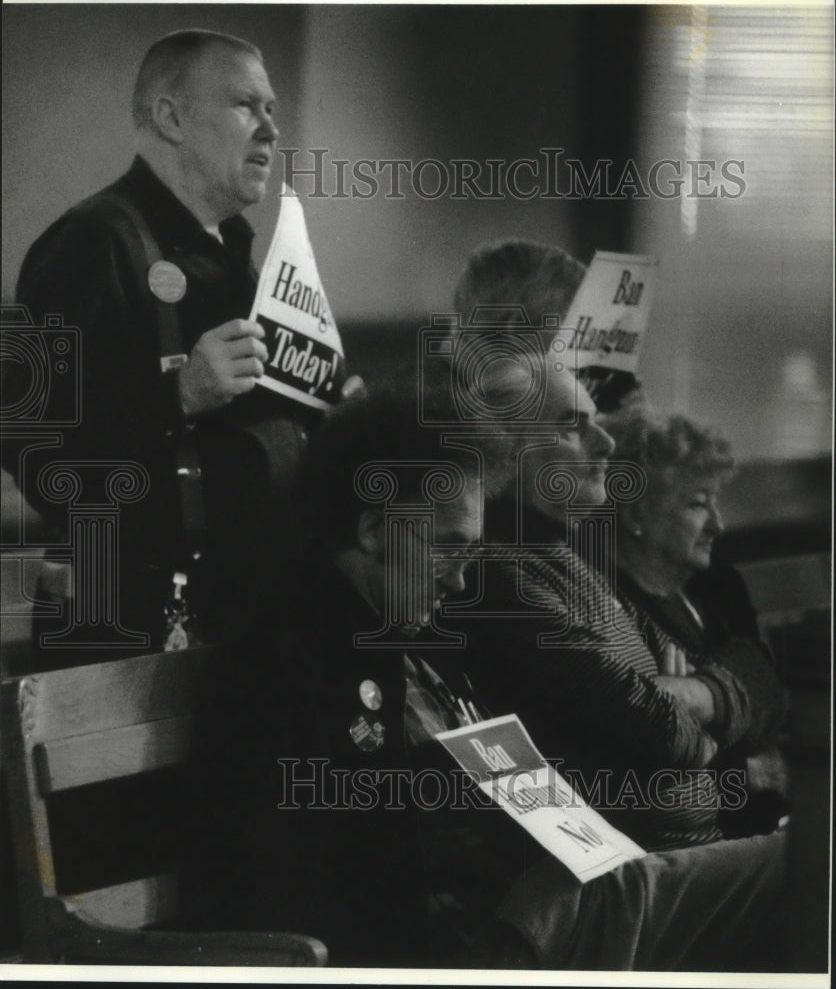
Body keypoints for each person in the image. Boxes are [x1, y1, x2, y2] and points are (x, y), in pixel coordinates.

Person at [181, 382, 788, 971]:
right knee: (791, 869)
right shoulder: (283, 664)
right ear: (372, 530)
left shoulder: (414, 642)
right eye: (449, 548)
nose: (461, 582)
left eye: (472, 552)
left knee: (791, 861)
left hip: (559, 896)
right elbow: (292, 884)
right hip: (479, 944)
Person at [1, 29, 335, 666]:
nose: (269, 129)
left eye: (273, 111)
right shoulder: (92, 241)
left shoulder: (235, 252)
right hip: (125, 623)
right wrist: (175, 394)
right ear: (170, 117)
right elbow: (29, 441)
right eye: (245, 106)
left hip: (240, 609)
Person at [449, 355, 778, 852]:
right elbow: (659, 733)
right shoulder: (495, 575)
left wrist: (687, 696)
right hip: (634, 875)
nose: (603, 443)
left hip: (685, 855)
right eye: (572, 427)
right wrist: (700, 720)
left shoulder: (565, 558)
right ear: (504, 448)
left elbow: (753, 687)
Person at [599, 406, 788, 835]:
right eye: (697, 504)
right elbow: (661, 765)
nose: (717, 525)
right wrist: (749, 769)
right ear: (634, 515)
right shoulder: (613, 615)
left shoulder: (711, 589)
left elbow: (766, 688)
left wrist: (705, 700)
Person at [452, 238, 645, 412]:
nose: (586, 356)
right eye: (578, 332)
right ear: (518, 329)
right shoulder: (454, 415)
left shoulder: (487, 395)